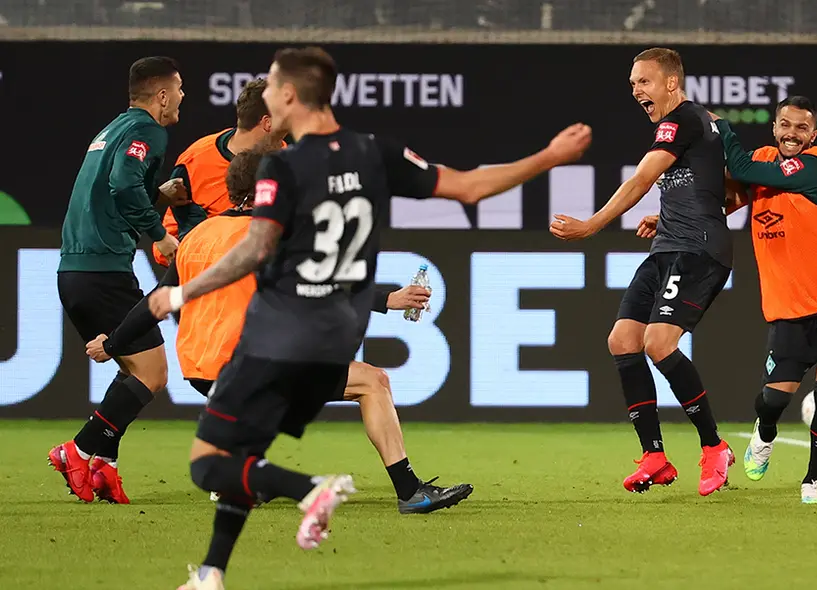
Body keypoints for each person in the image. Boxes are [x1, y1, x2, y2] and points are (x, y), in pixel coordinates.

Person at [144, 46, 589, 589]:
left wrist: (183, 292)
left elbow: (254, 249)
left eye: (272, 89)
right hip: (332, 333)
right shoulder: (374, 151)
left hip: (276, 332)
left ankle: (311, 490)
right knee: (244, 453)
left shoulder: (281, 166)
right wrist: (548, 157)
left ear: (288, 96)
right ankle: (213, 571)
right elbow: (470, 187)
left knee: (208, 464)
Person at [88, 147, 469, 513]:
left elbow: (157, 301)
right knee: (373, 382)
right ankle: (410, 491)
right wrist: (388, 300)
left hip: (203, 374)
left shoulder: (197, 237)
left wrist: (114, 342)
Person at [549, 47, 734, 497]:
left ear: (671, 83)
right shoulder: (702, 123)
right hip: (669, 245)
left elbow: (641, 179)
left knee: (658, 342)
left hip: (698, 251)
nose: (636, 90)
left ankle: (715, 447)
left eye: (644, 82)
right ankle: (654, 456)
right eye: (632, 83)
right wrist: (663, 216)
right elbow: (717, 186)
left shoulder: (682, 118)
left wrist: (593, 224)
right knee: (623, 340)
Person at [710, 96, 817, 504]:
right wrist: (667, 219)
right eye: (785, 124)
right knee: (773, 400)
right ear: (774, 127)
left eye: (800, 128)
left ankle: (813, 482)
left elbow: (744, 169)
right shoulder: (764, 163)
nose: (791, 133)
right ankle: (764, 432)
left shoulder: (816, 166)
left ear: (813, 135)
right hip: (790, 305)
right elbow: (728, 199)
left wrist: (724, 128)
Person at [50, 56, 189, 504]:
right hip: (104, 269)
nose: (183, 97)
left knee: (131, 368)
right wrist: (160, 235)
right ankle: (78, 449)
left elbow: (117, 185)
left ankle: (105, 469)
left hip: (74, 269)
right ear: (162, 95)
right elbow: (124, 184)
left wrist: (158, 193)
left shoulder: (111, 130)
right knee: (154, 373)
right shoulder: (150, 130)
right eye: (180, 89)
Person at [152, 78, 285, 266]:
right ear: (268, 123)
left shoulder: (287, 162)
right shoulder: (196, 160)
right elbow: (167, 242)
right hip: (208, 282)